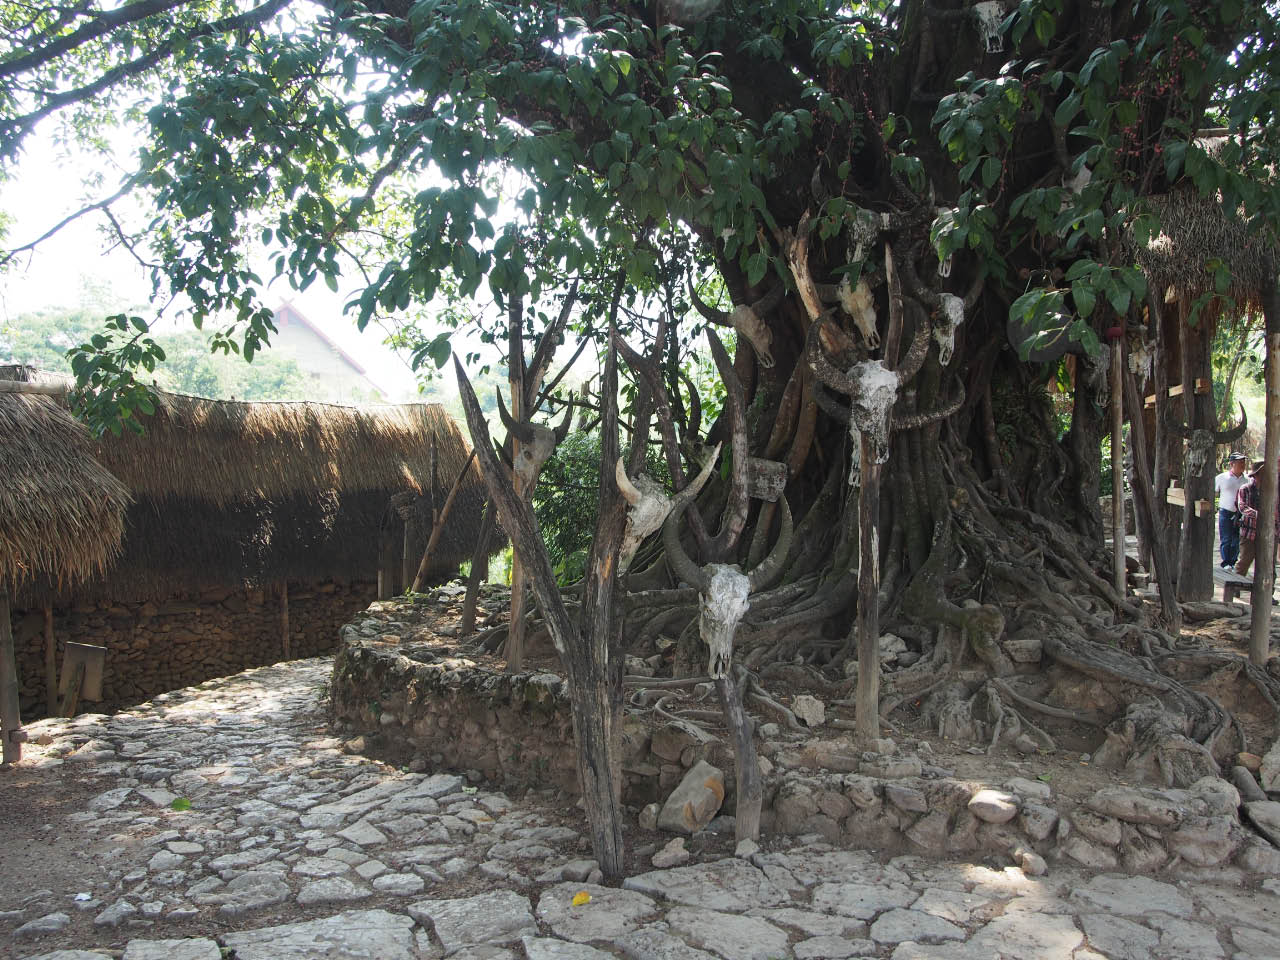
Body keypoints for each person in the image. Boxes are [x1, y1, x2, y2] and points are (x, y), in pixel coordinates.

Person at [1235, 459, 1280, 576]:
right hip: (1250, 533)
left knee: (1269, 567)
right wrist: (1262, 516)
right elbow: (1243, 507)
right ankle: (1234, 590)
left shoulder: (1274, 489)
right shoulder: (1245, 488)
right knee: (1243, 563)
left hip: (1271, 534)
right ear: (1256, 475)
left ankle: (1268, 592)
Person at [1215, 452, 1248, 569]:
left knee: (1237, 539)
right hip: (1225, 512)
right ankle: (1226, 562)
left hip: (1240, 513)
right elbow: (1213, 493)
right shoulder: (1221, 478)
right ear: (1232, 464)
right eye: (1240, 462)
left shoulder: (1247, 480)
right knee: (1226, 538)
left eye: (1243, 462)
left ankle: (1233, 562)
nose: (1242, 465)